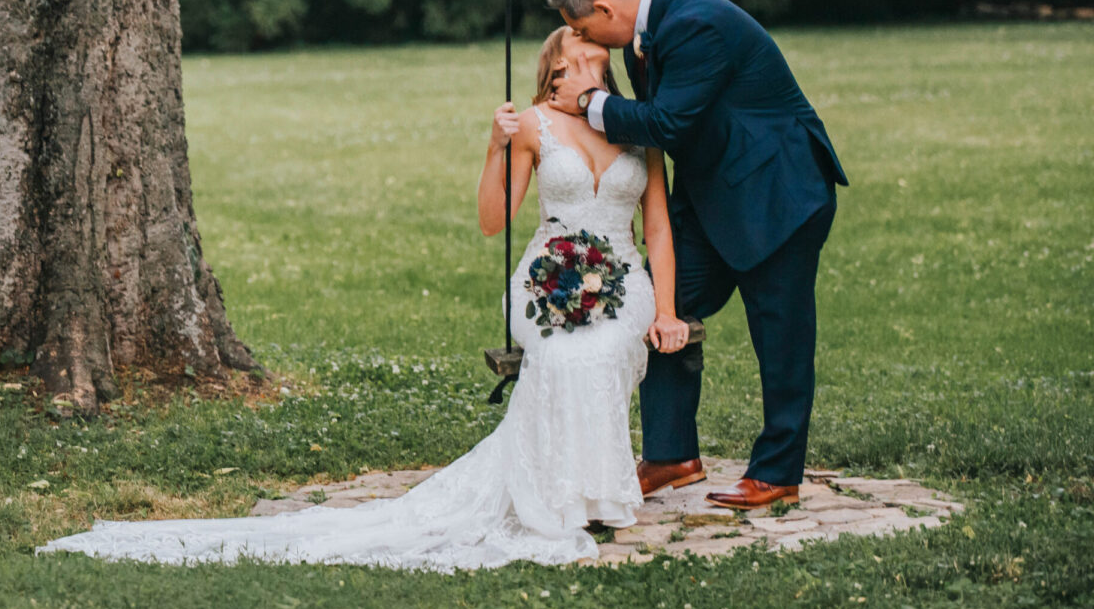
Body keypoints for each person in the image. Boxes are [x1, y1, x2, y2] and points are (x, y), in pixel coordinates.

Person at [37, 28, 691, 572]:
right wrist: (494, 146)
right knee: (565, 353)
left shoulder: (636, 128)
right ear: (552, 75)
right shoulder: (536, 126)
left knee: (601, 347)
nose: (586, 65)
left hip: (622, 272)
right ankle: (566, 495)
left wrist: (663, 308)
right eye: (573, 59)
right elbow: (496, 221)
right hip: (550, 270)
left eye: (594, 58)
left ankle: (596, 491)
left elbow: (657, 227)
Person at [545, 0, 847, 510]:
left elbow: (667, 123)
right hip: (713, 196)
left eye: (586, 29)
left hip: (777, 191)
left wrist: (589, 101)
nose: (589, 43)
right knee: (665, 304)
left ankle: (778, 471)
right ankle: (671, 455)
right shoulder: (648, 30)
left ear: (608, 9)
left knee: (780, 334)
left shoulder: (695, 22)